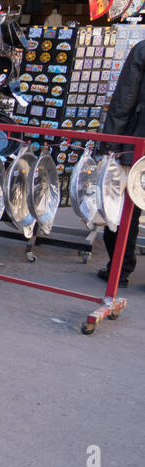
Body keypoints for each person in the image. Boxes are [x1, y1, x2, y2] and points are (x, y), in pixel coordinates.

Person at [100, 38, 145, 286]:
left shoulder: (142, 49)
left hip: (138, 141)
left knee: (125, 207)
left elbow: (124, 99)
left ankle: (120, 268)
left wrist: (111, 145)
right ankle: (121, 267)